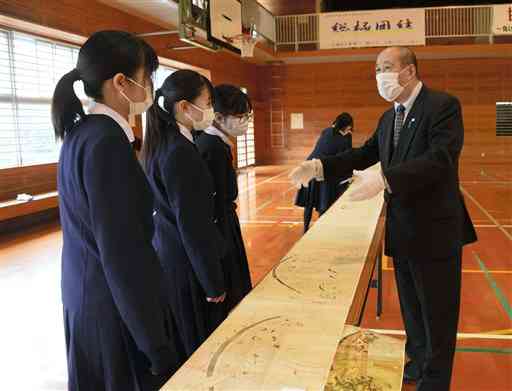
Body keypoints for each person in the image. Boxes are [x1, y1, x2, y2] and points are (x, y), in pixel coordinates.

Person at [289, 46, 477, 391]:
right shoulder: (389, 117)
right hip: (403, 229)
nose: (380, 75)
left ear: (409, 71)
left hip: (436, 231)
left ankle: (435, 382)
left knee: (437, 314)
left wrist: (386, 179)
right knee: (412, 310)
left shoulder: (442, 106)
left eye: (386, 67)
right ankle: (418, 364)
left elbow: (440, 159)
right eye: (376, 68)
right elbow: (364, 154)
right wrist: (320, 166)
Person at [52, 31, 182, 391]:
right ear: (121, 83)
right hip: (114, 308)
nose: (150, 88)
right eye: (147, 78)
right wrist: (155, 343)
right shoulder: (108, 142)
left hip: (86, 296)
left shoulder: (81, 133)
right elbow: (123, 254)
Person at [142, 70, 227, 358]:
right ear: (184, 107)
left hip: (170, 255)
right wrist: (212, 282)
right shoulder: (179, 152)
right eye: (206, 101)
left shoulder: (165, 142)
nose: (210, 109)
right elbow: (192, 224)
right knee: (198, 342)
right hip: (186, 263)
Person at [195, 84, 253, 313]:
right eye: (240, 116)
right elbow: (216, 199)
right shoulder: (213, 147)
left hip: (225, 220)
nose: (245, 121)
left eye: (247, 116)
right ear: (218, 117)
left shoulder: (216, 143)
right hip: (220, 226)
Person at [295, 113, 354, 232]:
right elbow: (345, 159)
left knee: (309, 203)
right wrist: (349, 177)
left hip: (310, 167)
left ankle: (305, 229)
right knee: (323, 202)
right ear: (346, 126)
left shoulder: (326, 131)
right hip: (322, 170)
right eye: (349, 127)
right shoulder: (343, 140)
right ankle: (321, 230)